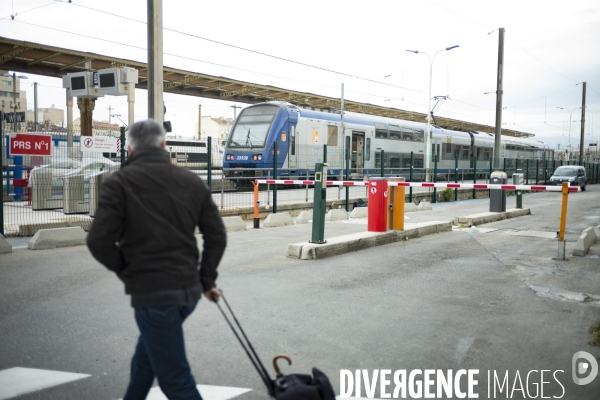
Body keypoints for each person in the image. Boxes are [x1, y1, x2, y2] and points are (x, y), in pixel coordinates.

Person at [87, 119, 227, 400]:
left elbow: (98, 241)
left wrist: (127, 270)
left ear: (129, 149)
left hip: (154, 297)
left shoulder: (119, 183)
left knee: (175, 381)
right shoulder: (191, 181)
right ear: (164, 144)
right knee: (144, 364)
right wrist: (206, 279)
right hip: (187, 294)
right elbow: (217, 236)